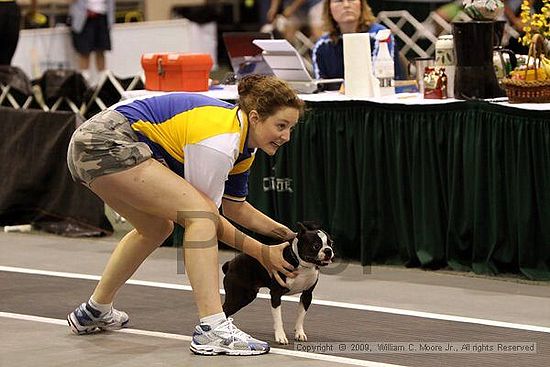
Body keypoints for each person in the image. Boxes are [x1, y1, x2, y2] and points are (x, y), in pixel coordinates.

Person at [66, 75, 305, 356]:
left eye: (291, 127)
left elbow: (235, 207)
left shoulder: (243, 147)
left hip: (91, 144)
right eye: (280, 125)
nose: (286, 136)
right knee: (200, 217)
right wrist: (262, 252)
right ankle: (212, 329)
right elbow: (208, 219)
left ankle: (95, 310)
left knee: (156, 228)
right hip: (104, 142)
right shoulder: (218, 142)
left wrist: (292, 237)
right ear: (255, 117)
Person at [312, 0, 402, 90]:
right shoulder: (321, 46)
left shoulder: (381, 35)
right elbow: (319, 86)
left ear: (361, 4)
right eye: (338, 1)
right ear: (329, 9)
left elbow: (378, 81)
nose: (346, 5)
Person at [68, 0, 114, 84]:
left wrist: (111, 21)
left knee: (101, 51)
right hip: (83, 18)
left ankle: (102, 82)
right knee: (84, 52)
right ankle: (84, 83)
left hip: (102, 16)